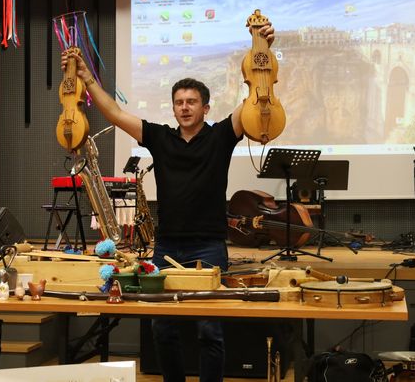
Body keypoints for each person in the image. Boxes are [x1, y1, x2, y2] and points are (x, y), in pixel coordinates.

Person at [62, 22, 275, 382]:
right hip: (167, 245)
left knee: (210, 330)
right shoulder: (159, 137)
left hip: (209, 245)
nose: (185, 107)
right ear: (173, 108)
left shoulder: (222, 136)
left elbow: (254, 98)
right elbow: (114, 113)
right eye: (179, 102)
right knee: (162, 327)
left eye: (192, 102)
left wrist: (262, 49)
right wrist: (86, 78)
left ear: (205, 108)